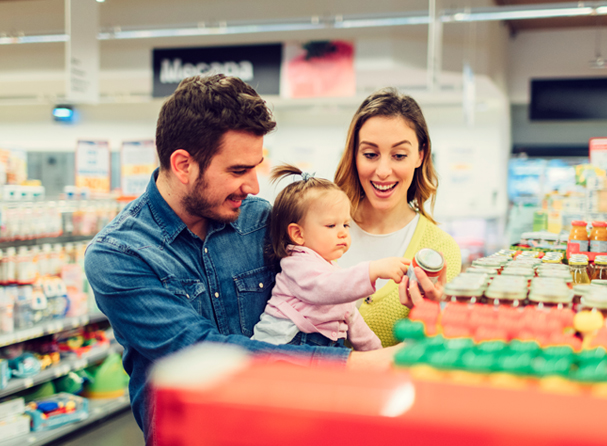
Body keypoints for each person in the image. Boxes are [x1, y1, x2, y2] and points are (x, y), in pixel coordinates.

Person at [84, 74, 398, 442]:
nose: (252, 186)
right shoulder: (119, 256)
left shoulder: (260, 221)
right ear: (183, 165)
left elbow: (318, 287)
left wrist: (395, 286)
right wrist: (358, 365)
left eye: (255, 167)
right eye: (238, 170)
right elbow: (199, 350)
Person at [335, 87, 462, 347]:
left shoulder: (439, 251)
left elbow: (440, 352)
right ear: (354, 155)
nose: (383, 171)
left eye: (399, 155)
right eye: (370, 154)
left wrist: (435, 320)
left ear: (420, 155)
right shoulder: (317, 228)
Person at [251, 164, 410, 350]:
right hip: (283, 345)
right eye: (331, 226)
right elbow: (327, 286)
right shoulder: (296, 263)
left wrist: (375, 351)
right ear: (298, 234)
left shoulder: (331, 271)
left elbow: (351, 316)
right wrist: (372, 270)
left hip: (325, 346)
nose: (343, 233)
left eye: (345, 225)